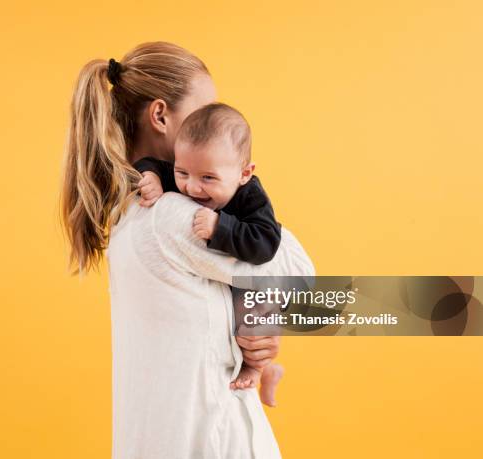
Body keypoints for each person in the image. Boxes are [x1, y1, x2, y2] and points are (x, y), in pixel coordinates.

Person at [60, 42, 314, 458]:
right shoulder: (172, 217)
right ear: (160, 115)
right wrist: (239, 193)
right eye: (203, 112)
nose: (214, 124)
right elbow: (303, 279)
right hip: (210, 439)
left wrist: (258, 326)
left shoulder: (132, 212)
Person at [133, 102, 285, 406]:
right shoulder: (191, 169)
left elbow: (267, 244)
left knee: (253, 317)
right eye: (181, 172)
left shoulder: (251, 196)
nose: (191, 187)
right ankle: (266, 369)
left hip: (254, 287)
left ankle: (258, 369)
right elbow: (150, 162)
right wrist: (150, 176)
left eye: (208, 178)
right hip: (224, 287)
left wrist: (222, 227)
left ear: (245, 173)